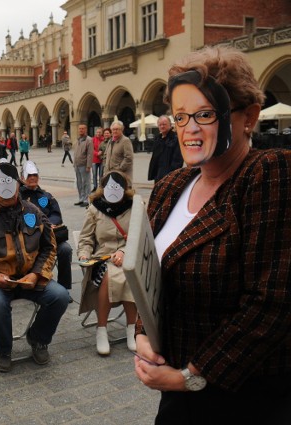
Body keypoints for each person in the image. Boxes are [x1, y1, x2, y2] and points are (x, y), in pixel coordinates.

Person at [133, 46, 291, 425]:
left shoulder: (268, 173)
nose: (188, 129)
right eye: (180, 115)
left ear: (249, 117)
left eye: (204, 115)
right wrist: (144, 334)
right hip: (179, 393)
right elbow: (151, 272)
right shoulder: (171, 186)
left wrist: (193, 375)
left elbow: (271, 302)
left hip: (248, 396)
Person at [0, 162, 70, 372]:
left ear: (18, 186)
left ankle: (38, 338)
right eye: (2, 193)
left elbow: (49, 247)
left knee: (60, 296)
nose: (9, 197)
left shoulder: (33, 211)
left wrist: (37, 274)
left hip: (29, 278)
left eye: (12, 192)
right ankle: (4, 348)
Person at [77, 171, 137, 355]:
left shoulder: (135, 207)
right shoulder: (95, 208)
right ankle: (101, 329)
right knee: (109, 275)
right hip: (102, 258)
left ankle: (132, 328)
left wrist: (124, 252)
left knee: (129, 273)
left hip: (129, 256)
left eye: (117, 187)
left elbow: (139, 237)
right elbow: (85, 238)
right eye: (109, 187)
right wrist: (84, 255)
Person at [19, 161, 73, 292]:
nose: (32, 177)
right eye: (29, 175)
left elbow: (56, 214)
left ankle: (64, 287)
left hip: (49, 238)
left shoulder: (46, 196)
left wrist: (49, 225)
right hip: (28, 239)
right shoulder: (18, 197)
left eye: (35, 175)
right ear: (22, 178)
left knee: (65, 249)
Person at [147, 115, 183, 182]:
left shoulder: (175, 138)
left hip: (169, 175)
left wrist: (171, 175)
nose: (162, 126)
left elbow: (178, 160)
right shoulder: (158, 138)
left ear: (170, 125)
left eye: (164, 124)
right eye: (160, 125)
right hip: (158, 175)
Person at [73, 124, 93, 207]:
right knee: (79, 183)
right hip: (77, 165)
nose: (81, 130)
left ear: (86, 130)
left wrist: (88, 165)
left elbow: (90, 154)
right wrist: (74, 163)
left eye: (82, 129)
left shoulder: (89, 140)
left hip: (84, 165)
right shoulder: (78, 139)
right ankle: (81, 198)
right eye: (80, 129)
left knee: (86, 183)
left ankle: (86, 199)